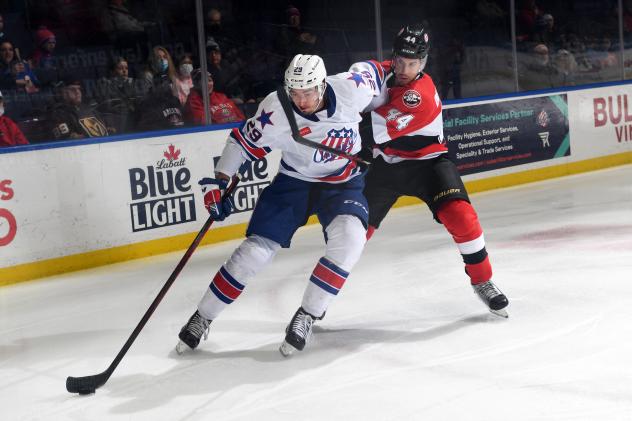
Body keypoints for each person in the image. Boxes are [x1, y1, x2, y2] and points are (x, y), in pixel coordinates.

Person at [176, 53, 380, 356]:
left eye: (308, 91)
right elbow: (241, 143)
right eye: (295, 92)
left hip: (342, 182)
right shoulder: (276, 108)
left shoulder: (353, 88)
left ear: (322, 85)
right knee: (252, 254)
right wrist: (221, 181)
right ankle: (202, 316)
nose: (301, 100)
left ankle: (308, 314)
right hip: (294, 182)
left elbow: (380, 74)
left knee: (351, 240)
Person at [352, 24, 509, 317]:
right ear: (393, 56)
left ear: (423, 63)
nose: (404, 68)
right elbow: (354, 81)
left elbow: (364, 134)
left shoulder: (419, 95)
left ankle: (483, 280)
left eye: (412, 63)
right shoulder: (381, 72)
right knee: (350, 236)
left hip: (428, 165)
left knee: (462, 217)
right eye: (400, 60)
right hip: (385, 167)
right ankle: (316, 302)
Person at [48, 76, 110, 140]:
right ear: (64, 93)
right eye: (73, 89)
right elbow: (66, 139)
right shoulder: (59, 113)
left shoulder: (89, 108)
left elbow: (108, 128)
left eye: (79, 89)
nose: (77, 92)